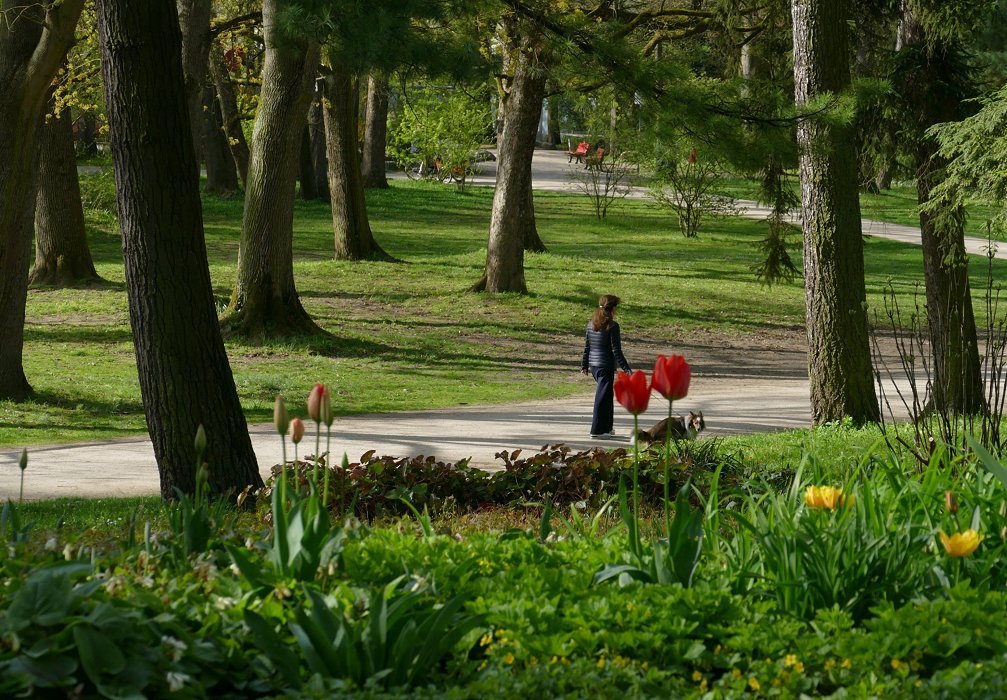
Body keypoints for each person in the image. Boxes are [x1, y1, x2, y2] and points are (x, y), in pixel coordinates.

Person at [581, 294, 632, 438]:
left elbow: (587, 346)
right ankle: (597, 430)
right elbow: (616, 350)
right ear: (613, 308)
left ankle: (607, 428)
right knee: (602, 398)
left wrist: (584, 364)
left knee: (607, 396)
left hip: (594, 367)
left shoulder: (591, 324)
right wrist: (626, 368)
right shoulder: (613, 326)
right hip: (605, 366)